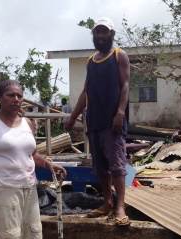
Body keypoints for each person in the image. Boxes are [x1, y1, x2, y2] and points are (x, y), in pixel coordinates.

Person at [0, 79, 67, 239]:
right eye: (10, 95)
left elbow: (31, 153)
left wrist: (48, 164)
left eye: (19, 96)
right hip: (2, 188)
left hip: (29, 188)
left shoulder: (27, 123)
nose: (16, 99)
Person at [65, 17, 130, 226]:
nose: (100, 36)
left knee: (117, 166)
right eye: (97, 33)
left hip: (113, 122)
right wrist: (73, 116)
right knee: (100, 168)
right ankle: (107, 202)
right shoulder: (90, 61)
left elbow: (126, 85)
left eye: (104, 32)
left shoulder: (119, 55)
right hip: (94, 122)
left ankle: (120, 206)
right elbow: (86, 91)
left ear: (111, 34)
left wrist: (120, 112)